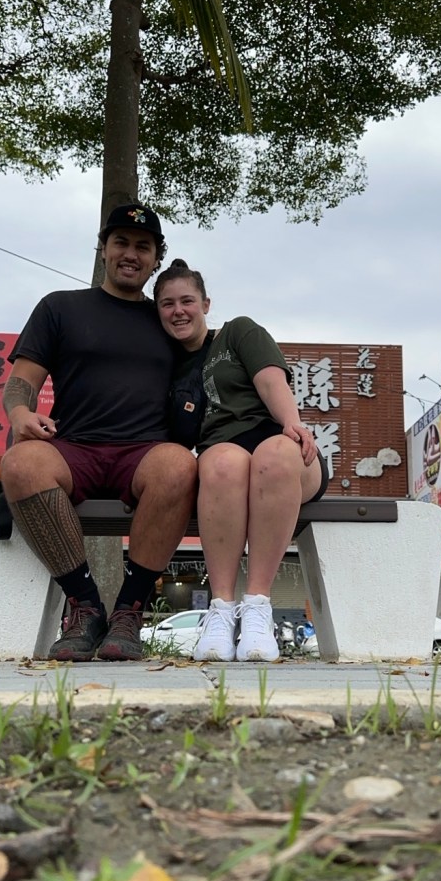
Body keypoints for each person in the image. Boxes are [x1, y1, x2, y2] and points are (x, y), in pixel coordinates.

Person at [0, 205, 198, 662]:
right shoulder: (59, 307)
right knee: (21, 464)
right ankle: (85, 608)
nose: (131, 254)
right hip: (73, 447)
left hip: (145, 452)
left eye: (143, 247)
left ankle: (129, 611)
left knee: (179, 465)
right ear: (103, 249)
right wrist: (19, 414)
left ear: (156, 258)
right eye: (121, 242)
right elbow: (20, 382)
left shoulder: (168, 318)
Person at [154, 258, 328, 662]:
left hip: (280, 449)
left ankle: (257, 609)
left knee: (274, 455)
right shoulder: (165, 366)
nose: (179, 311)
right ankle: (221, 611)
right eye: (167, 304)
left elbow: (270, 379)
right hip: (222, 459)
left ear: (205, 304)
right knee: (222, 463)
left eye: (187, 301)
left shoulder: (237, 332)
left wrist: (292, 423)